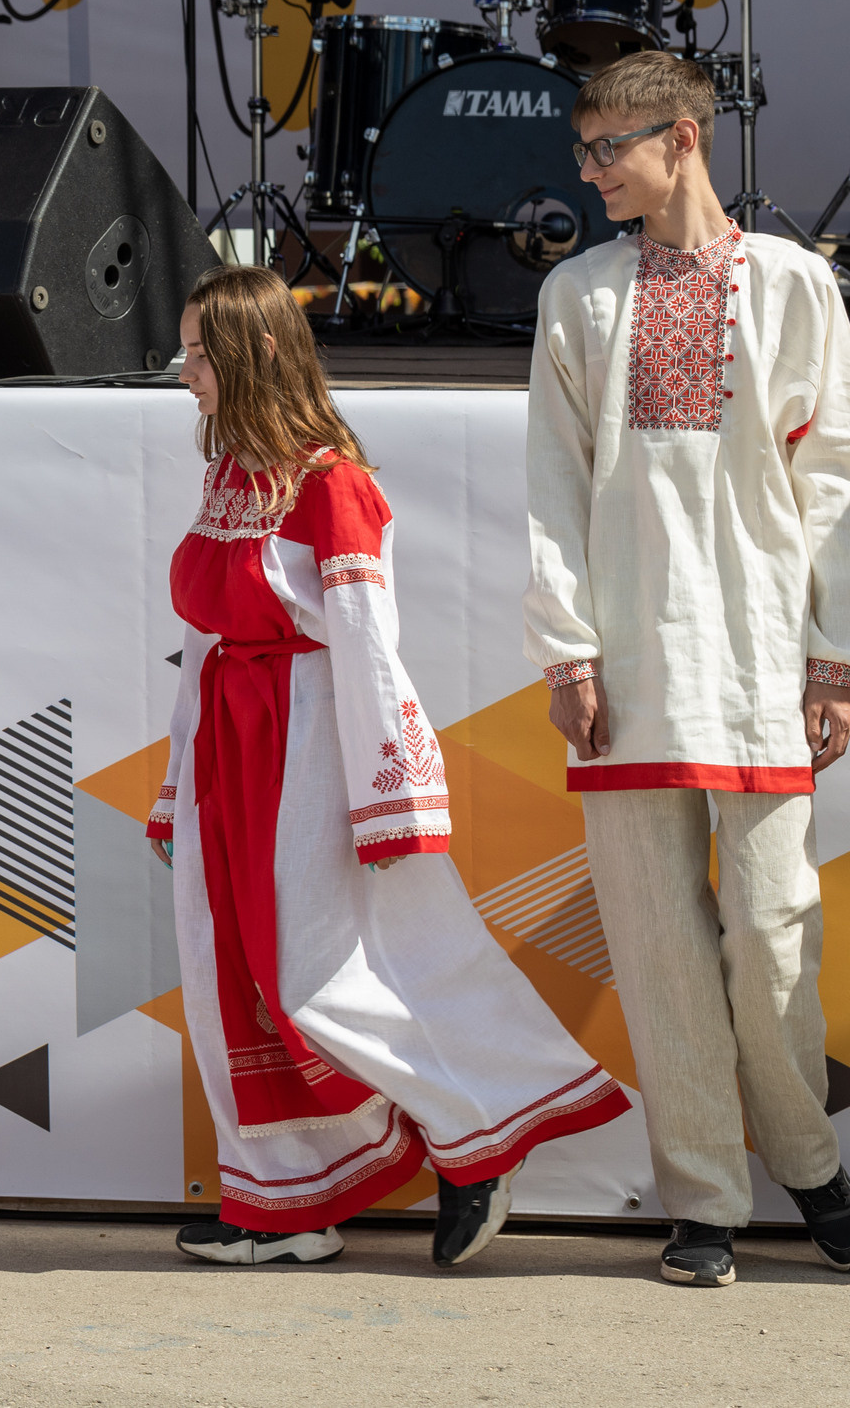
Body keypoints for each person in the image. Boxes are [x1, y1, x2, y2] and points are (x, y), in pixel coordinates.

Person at [151, 266, 629, 1269]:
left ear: (258, 353)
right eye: (188, 348)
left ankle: (474, 1139)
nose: (182, 368)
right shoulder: (230, 476)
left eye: (201, 350)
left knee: (313, 977)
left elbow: (370, 647)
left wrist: (389, 798)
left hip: (310, 748)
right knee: (229, 970)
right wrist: (176, 784)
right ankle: (285, 1202)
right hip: (229, 752)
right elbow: (203, 637)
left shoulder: (332, 488)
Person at [526, 50, 850, 1288]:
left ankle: (810, 1166)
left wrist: (833, 657)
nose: (590, 171)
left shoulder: (793, 285)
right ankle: (705, 1200)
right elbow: (551, 483)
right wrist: (566, 646)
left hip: (763, 652)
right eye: (584, 151)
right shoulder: (581, 294)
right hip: (627, 661)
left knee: (772, 935)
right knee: (658, 942)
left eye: (609, 148)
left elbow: (832, 484)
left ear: (684, 140)